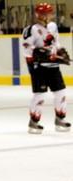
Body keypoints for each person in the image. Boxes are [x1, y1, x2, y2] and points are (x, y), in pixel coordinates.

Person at [22, 2, 71, 134]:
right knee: (40, 94)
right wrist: (39, 54)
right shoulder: (30, 29)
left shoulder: (53, 26)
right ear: (37, 14)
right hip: (39, 67)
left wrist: (60, 52)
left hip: (53, 66)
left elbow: (56, 42)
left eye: (49, 13)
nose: (47, 15)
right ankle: (34, 122)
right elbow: (26, 47)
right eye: (44, 13)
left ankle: (60, 119)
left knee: (60, 93)